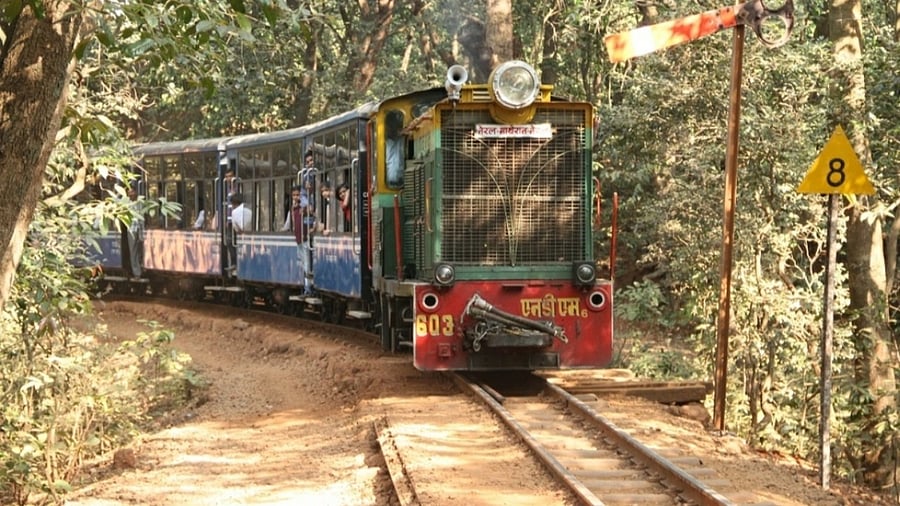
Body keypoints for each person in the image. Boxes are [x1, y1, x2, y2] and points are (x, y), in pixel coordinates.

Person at [227, 193, 251, 272]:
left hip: (241, 233)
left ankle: (234, 263)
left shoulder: (234, 212)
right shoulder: (249, 210)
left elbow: (235, 227)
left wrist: (239, 231)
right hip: (251, 232)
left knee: (230, 241)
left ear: (234, 204)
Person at [125, 187, 145, 278]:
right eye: (129, 193)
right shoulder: (126, 203)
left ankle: (142, 268)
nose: (131, 194)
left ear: (136, 192)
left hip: (140, 229)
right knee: (133, 251)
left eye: (132, 192)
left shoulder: (141, 202)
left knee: (141, 250)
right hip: (131, 230)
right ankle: (137, 273)